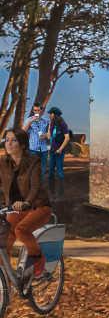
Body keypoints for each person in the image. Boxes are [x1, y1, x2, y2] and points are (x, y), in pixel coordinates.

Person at [0, 128, 52, 278]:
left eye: (14, 140)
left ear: (23, 144)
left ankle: (38, 259)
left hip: (38, 206)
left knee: (21, 230)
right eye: (7, 140)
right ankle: (6, 284)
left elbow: (36, 186)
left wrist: (26, 202)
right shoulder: (3, 162)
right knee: (3, 243)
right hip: (15, 209)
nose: (8, 144)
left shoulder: (33, 161)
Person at [45, 106, 70, 201]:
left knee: (59, 173)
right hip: (52, 151)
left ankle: (60, 195)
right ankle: (52, 195)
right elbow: (48, 137)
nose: (49, 115)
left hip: (59, 152)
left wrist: (60, 149)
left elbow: (67, 138)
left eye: (50, 114)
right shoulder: (52, 124)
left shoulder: (62, 124)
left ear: (54, 115)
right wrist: (49, 126)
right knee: (50, 173)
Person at [22, 102, 49, 183]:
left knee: (42, 172)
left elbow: (50, 133)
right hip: (33, 150)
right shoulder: (28, 120)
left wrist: (45, 136)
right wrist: (31, 121)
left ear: (41, 110)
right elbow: (23, 131)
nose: (36, 112)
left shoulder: (46, 120)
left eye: (38, 110)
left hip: (43, 150)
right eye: (35, 110)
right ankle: (31, 190)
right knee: (32, 171)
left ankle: (40, 190)